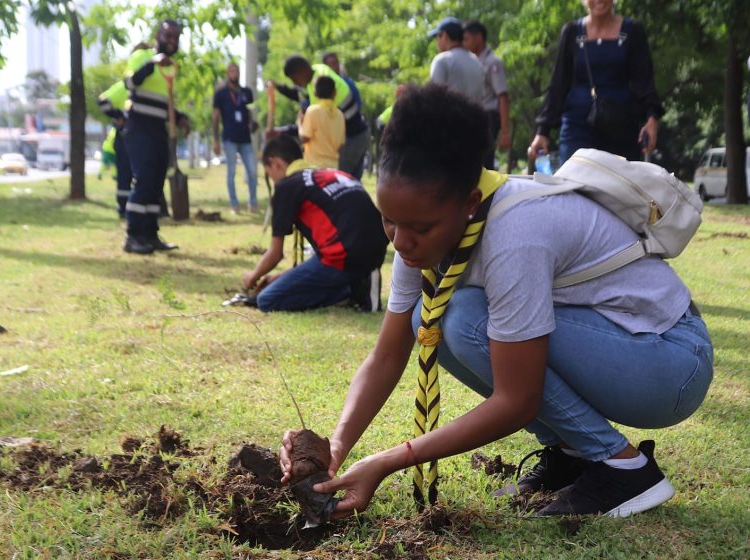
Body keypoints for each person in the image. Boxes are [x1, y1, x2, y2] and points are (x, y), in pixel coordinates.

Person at [279, 83, 713, 518]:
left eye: (419, 227)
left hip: (668, 363)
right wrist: (333, 451)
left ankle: (623, 468)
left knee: (462, 317)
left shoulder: (515, 229)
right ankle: (571, 454)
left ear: (469, 202)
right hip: (620, 347)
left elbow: (517, 398)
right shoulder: (425, 229)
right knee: (427, 320)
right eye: (388, 220)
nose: (402, 241)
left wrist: (387, 461)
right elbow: (386, 356)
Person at [242, 134, 389, 312]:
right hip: (377, 249)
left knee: (266, 300)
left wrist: (252, 276)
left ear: (275, 163)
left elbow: (275, 253)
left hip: (343, 257)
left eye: (269, 173)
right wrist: (284, 278)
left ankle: (350, 290)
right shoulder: (330, 174)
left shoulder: (286, 186)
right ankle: (360, 280)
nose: (272, 180)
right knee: (286, 285)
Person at [528, 0, 663, 165]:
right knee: (573, 184)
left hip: (621, 127)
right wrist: (542, 131)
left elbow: (644, 80)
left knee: (617, 188)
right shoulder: (571, 32)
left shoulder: (633, 31)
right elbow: (558, 84)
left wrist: (652, 118)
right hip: (577, 127)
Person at [122, 20, 190, 255]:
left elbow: (164, 101)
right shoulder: (142, 56)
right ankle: (132, 236)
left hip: (158, 129)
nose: (172, 40)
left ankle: (150, 235)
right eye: (168, 35)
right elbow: (130, 83)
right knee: (144, 181)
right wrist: (152, 63)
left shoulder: (171, 67)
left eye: (176, 37)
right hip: (138, 127)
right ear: (158, 35)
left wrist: (180, 117)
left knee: (156, 182)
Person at [273, 55, 370, 180]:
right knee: (351, 184)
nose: (295, 83)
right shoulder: (319, 70)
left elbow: (306, 133)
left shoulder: (318, 95)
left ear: (302, 71)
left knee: (339, 184)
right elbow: (301, 98)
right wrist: (280, 88)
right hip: (359, 135)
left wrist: (285, 129)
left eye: (294, 79)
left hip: (351, 140)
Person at [463, 20, 511, 170]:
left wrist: (505, 131)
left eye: (467, 39)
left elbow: (502, 96)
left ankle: (488, 193)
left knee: (484, 161)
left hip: (489, 118)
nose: (464, 43)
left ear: (479, 37)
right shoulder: (472, 62)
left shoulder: (492, 63)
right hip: (474, 116)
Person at [212, 62, 258, 214]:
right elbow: (216, 117)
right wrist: (216, 140)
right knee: (231, 172)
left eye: (236, 70)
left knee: (252, 171)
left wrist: (252, 123)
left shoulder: (246, 92)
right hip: (229, 138)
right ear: (227, 73)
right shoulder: (221, 93)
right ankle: (234, 205)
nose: (234, 73)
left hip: (245, 138)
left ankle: (253, 203)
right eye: (231, 70)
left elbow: (250, 111)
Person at [321, 52, 371, 179]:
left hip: (354, 137)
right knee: (350, 179)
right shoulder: (324, 86)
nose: (334, 66)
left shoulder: (347, 84)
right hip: (347, 139)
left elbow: (356, 107)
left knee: (343, 179)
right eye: (330, 64)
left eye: (336, 63)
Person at [428, 17, 486, 105]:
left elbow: (434, 99)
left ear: (445, 36)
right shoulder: (477, 62)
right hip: (476, 118)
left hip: (448, 118)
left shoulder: (442, 60)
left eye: (438, 37)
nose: (437, 42)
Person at [98, 79, 133, 219]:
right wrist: (118, 115)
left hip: (142, 135)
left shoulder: (150, 86)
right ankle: (124, 209)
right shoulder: (122, 87)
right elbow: (102, 101)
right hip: (124, 137)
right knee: (124, 176)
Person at [298, 76, 345, 169]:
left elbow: (304, 138)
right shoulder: (340, 114)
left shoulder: (313, 111)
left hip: (314, 167)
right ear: (334, 93)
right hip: (333, 167)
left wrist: (300, 123)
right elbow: (341, 145)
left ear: (315, 93)